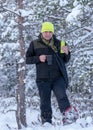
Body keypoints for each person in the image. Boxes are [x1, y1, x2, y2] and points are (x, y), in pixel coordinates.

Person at [26, 22, 78, 125]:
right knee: (45, 102)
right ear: (42, 32)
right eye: (45, 31)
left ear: (52, 32)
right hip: (42, 79)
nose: (47, 34)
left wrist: (67, 53)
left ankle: (69, 119)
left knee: (62, 96)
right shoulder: (35, 44)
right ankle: (47, 123)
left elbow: (65, 60)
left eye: (50, 31)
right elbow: (27, 59)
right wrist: (38, 58)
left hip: (58, 77)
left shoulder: (59, 43)